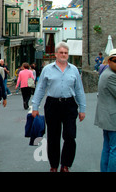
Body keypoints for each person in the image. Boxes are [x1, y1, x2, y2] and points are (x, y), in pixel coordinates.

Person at [32, 42, 86, 172]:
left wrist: (82, 109)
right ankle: (54, 166)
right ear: (56, 54)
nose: (63, 55)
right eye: (61, 52)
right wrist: (35, 106)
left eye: (66, 53)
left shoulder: (73, 70)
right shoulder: (47, 69)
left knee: (70, 136)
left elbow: (79, 90)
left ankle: (65, 165)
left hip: (69, 104)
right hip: (53, 104)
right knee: (53, 137)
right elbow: (40, 89)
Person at [94, 48, 116, 172]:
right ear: (109, 61)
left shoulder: (106, 73)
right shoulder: (111, 76)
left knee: (108, 148)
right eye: (115, 60)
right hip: (112, 118)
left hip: (107, 117)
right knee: (114, 149)